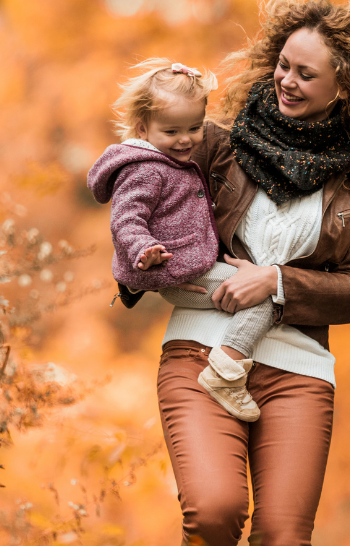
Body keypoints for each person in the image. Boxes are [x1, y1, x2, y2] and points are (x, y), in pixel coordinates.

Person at [119, 0, 350, 546]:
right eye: (284, 67)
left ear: (345, 88)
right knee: (215, 510)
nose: (287, 81)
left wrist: (276, 282)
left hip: (299, 371)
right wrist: (140, 253)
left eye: (306, 75)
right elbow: (140, 174)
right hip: (200, 350)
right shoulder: (218, 144)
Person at [87, 59, 275, 422]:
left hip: (190, 266)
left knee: (254, 290)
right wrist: (144, 250)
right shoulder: (144, 169)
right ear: (143, 128)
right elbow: (126, 219)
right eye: (172, 131)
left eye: (194, 127)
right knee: (263, 294)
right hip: (175, 271)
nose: (185, 139)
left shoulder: (171, 161)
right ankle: (226, 373)